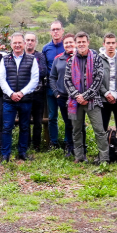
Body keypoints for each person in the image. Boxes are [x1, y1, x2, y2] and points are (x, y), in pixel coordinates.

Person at [66, 32, 108, 166]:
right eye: (79, 42)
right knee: (76, 130)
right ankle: (79, 156)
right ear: (75, 44)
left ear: (88, 42)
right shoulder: (71, 60)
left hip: (92, 100)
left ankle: (104, 157)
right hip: (75, 101)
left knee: (99, 130)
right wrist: (77, 96)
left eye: (83, 41)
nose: (81, 44)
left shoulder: (96, 58)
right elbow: (67, 80)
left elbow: (98, 79)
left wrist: (85, 96)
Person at [0, 32, 38, 163]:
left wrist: (22, 93)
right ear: (11, 44)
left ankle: (22, 152)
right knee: (7, 127)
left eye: (20, 42)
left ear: (24, 44)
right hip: (9, 100)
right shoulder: (5, 59)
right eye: (15, 43)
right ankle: (5, 155)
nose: (17, 45)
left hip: (25, 100)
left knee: (25, 127)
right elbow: (1, 79)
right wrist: (11, 94)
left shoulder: (32, 59)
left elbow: (34, 79)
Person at [47, 33, 75, 158]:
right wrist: (56, 93)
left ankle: (80, 147)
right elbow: (52, 77)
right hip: (63, 96)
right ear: (63, 45)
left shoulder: (82, 58)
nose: (69, 45)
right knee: (68, 122)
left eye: (71, 42)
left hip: (78, 97)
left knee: (78, 123)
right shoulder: (58, 59)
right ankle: (69, 147)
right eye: (66, 43)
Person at [42, 21, 67, 150]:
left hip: (66, 89)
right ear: (50, 32)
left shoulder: (67, 46)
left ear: (62, 31)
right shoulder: (46, 48)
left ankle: (68, 142)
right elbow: (44, 67)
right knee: (52, 116)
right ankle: (54, 142)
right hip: (51, 88)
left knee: (68, 116)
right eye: (53, 29)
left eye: (58, 29)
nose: (56, 32)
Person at [22, 32, 49, 152]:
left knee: (38, 121)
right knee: (25, 121)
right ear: (24, 42)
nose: (30, 42)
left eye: (32, 40)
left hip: (38, 93)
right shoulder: (19, 56)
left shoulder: (40, 56)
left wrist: (26, 71)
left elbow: (43, 71)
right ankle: (26, 144)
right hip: (23, 94)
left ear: (35, 42)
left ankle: (37, 145)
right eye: (27, 40)